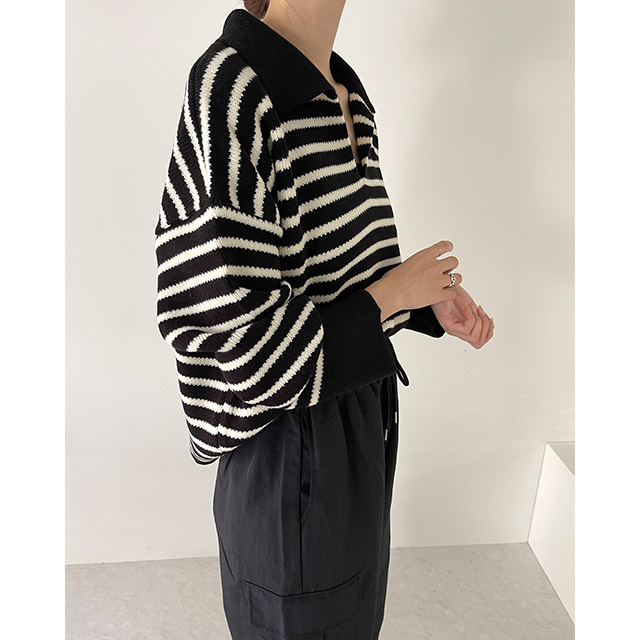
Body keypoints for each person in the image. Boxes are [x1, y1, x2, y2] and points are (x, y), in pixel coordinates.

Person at [154, 1, 494, 638]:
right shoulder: (232, 86)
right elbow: (236, 345)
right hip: (288, 444)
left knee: (352, 618)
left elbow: (339, 271)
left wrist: (421, 301)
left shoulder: (345, 90)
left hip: (360, 414)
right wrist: (389, 296)